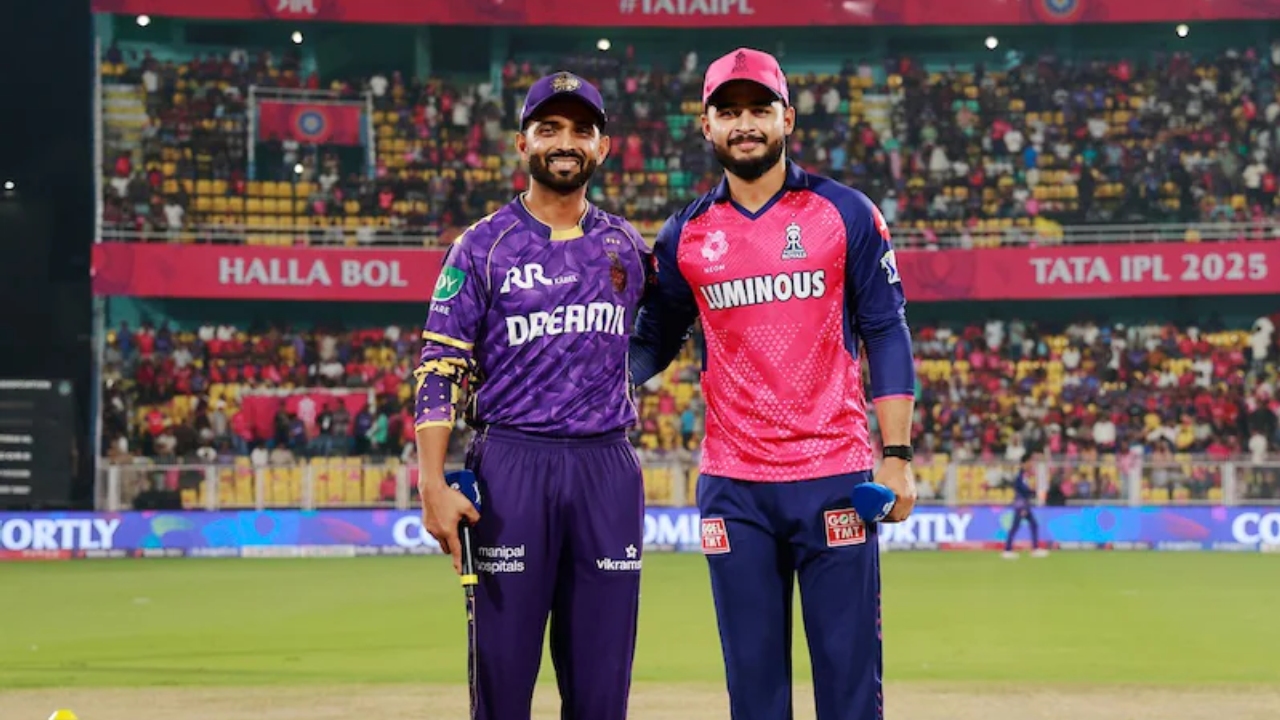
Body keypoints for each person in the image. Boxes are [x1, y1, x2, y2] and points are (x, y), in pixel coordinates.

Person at [629, 48, 918, 720]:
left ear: (787, 117)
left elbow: (886, 329)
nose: (744, 124)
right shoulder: (685, 234)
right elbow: (653, 341)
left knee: (850, 690)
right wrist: (588, 381)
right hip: (734, 486)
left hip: (834, 475)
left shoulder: (845, 213)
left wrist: (898, 455)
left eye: (758, 109)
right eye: (728, 112)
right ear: (706, 125)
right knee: (753, 694)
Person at [415, 71, 650, 720]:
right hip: (512, 464)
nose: (565, 142)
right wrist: (432, 482)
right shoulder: (481, 246)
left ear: (603, 146)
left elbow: (666, 328)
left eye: (581, 130)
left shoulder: (628, 246)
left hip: (606, 466)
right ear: (523, 143)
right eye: (549, 128)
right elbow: (439, 366)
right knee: (503, 680)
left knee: (603, 688)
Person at [1003, 455, 1049, 558]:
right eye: (1029, 462)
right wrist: (1033, 491)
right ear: (1024, 463)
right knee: (1016, 526)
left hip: (1024, 503)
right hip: (1021, 504)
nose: (1031, 464)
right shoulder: (1020, 475)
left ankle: (1034, 548)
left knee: (1033, 524)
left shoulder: (1025, 475)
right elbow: (1022, 489)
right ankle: (1007, 550)